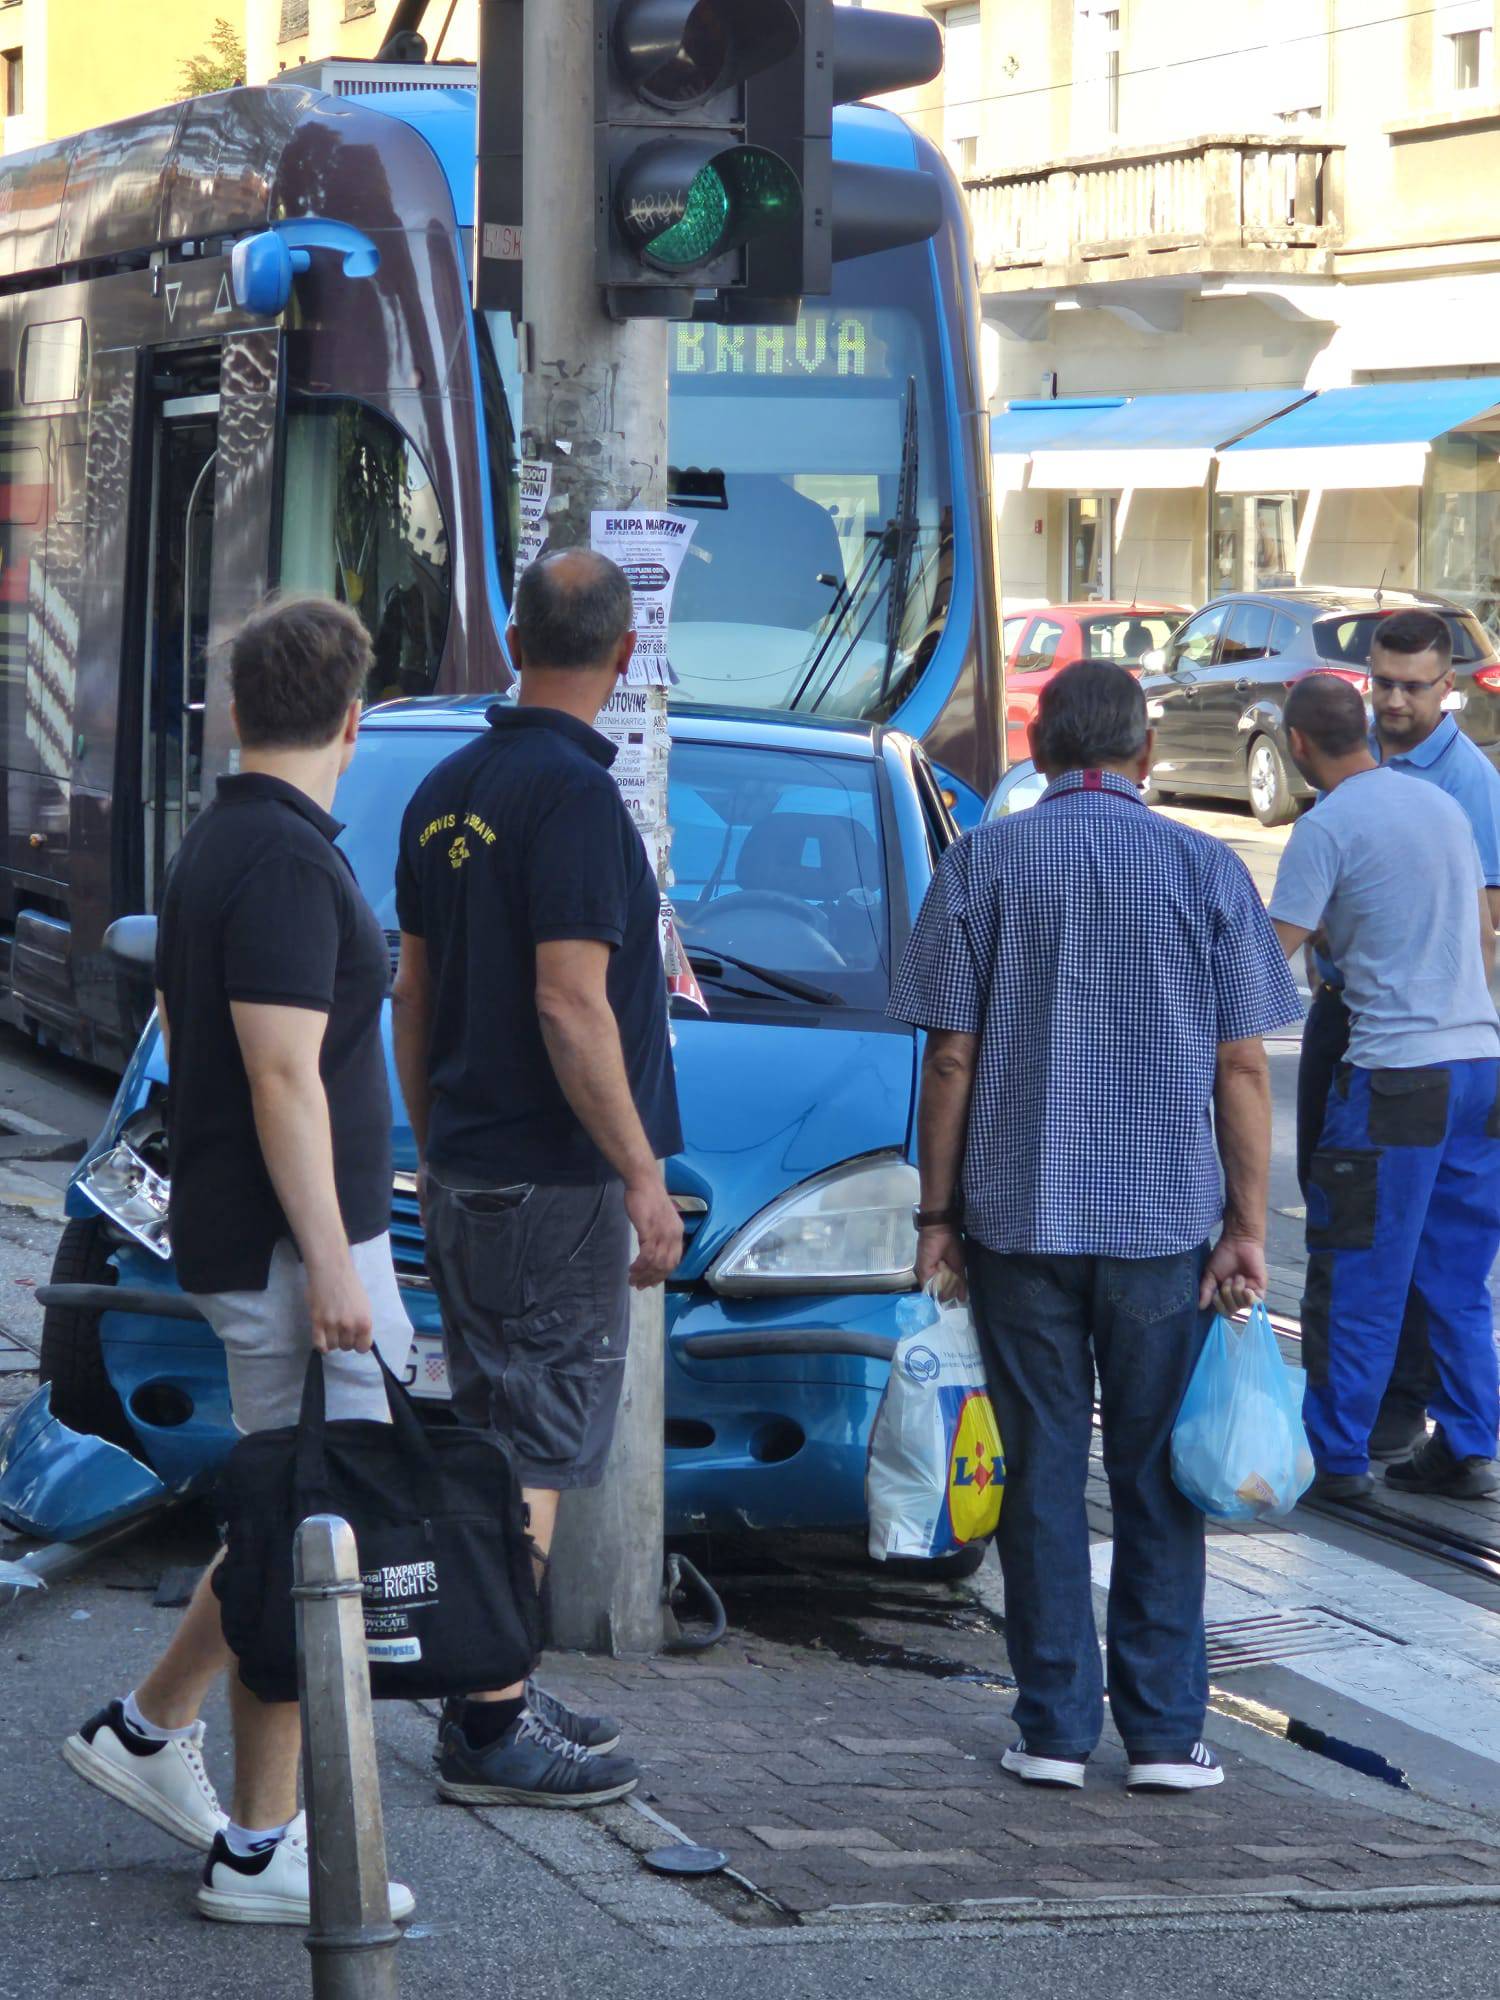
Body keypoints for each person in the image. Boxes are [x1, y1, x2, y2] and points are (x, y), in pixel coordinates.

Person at [62, 598, 416, 1924]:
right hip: (286, 1247)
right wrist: (332, 1259)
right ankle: (264, 1847)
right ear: (350, 720)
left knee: (293, 1509)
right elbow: (279, 1074)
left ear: (235, 711)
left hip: (272, 1233)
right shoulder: (275, 862)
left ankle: (150, 1732)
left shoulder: (235, 840)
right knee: (308, 1526)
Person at [890, 663, 1301, 1794]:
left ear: (1037, 741)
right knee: (1158, 1474)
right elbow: (1244, 1066)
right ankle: (1167, 1733)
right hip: (1165, 1229)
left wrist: (937, 1213)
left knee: (1041, 1470)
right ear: (1146, 753)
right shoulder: (1206, 866)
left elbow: (953, 1055)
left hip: (1017, 1223)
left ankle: (1054, 1728)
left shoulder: (983, 860)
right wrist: (1248, 1225)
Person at [392, 549, 682, 1808]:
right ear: (624, 654)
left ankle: (491, 1675)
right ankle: (492, 1723)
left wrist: (437, 1130)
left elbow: (415, 990)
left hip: (470, 1163)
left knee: (496, 1428)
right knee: (538, 1446)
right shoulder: (571, 802)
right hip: (551, 1181)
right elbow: (573, 1004)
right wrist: (642, 1175)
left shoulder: (444, 786)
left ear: (517, 638)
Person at [1270, 672, 1500, 1500]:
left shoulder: (1326, 827)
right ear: (1363, 728)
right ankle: (1469, 1441)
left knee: (1359, 1265)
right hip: (1481, 1064)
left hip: (1397, 1075)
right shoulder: (1440, 805)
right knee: (1455, 1271)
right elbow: (1478, 930)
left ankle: (1337, 1459)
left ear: (1297, 746)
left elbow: (1269, 964)